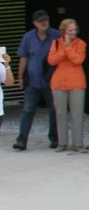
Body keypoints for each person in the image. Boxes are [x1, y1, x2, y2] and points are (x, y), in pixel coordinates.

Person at [14, 10, 59, 151]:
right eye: (40, 21)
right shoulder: (28, 37)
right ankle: (21, 141)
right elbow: (23, 57)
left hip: (51, 81)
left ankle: (54, 139)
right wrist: (20, 77)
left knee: (54, 110)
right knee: (28, 110)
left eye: (45, 19)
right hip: (33, 81)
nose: (44, 23)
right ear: (34, 23)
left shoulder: (56, 35)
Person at [47, 18, 88, 152]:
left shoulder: (81, 43)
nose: (73, 32)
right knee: (60, 113)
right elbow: (51, 60)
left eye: (74, 29)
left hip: (76, 81)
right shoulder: (56, 43)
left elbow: (78, 60)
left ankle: (78, 144)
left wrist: (67, 47)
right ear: (63, 31)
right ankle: (62, 143)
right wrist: (63, 49)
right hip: (59, 81)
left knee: (77, 114)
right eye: (70, 30)